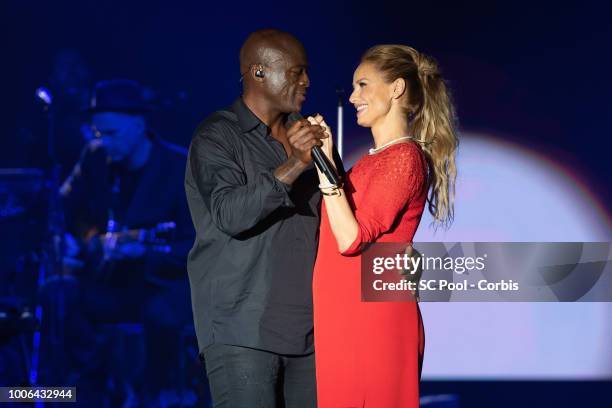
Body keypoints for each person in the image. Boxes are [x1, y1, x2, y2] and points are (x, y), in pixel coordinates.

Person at [185, 29, 328, 407]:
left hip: (310, 331)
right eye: (296, 72)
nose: (306, 81)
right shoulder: (217, 136)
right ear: (259, 73)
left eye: (306, 72)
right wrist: (295, 164)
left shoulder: (306, 137)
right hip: (242, 328)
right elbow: (230, 214)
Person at [311, 45, 458, 407]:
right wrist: (331, 160)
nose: (354, 96)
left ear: (396, 89)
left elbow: (351, 238)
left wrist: (325, 170)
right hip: (344, 311)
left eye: (363, 85)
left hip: (370, 319)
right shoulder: (373, 161)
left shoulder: (404, 158)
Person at [57, 79, 195, 406]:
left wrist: (145, 251)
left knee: (158, 315)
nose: (102, 142)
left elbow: (198, 242)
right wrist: (84, 240)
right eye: (97, 134)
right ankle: (92, 386)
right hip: (110, 281)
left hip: (165, 282)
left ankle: (152, 394)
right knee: (58, 298)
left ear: (138, 125)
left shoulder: (179, 167)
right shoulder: (94, 160)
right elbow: (66, 211)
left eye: (111, 134)